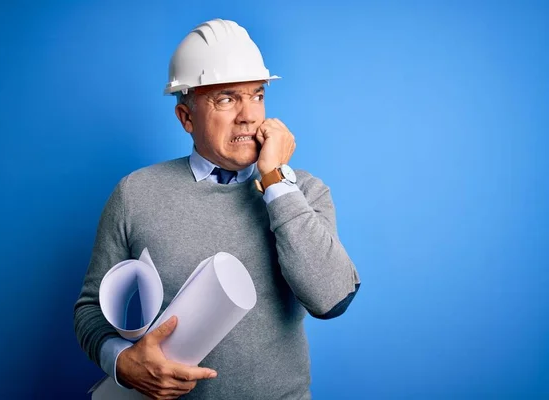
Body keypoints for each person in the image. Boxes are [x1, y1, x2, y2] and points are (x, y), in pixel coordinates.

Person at [74, 18, 361, 400]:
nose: (249, 115)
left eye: (257, 95)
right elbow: (90, 309)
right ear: (186, 118)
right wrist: (122, 362)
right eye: (226, 98)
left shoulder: (301, 192)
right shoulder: (136, 194)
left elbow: (332, 299)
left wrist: (275, 181)